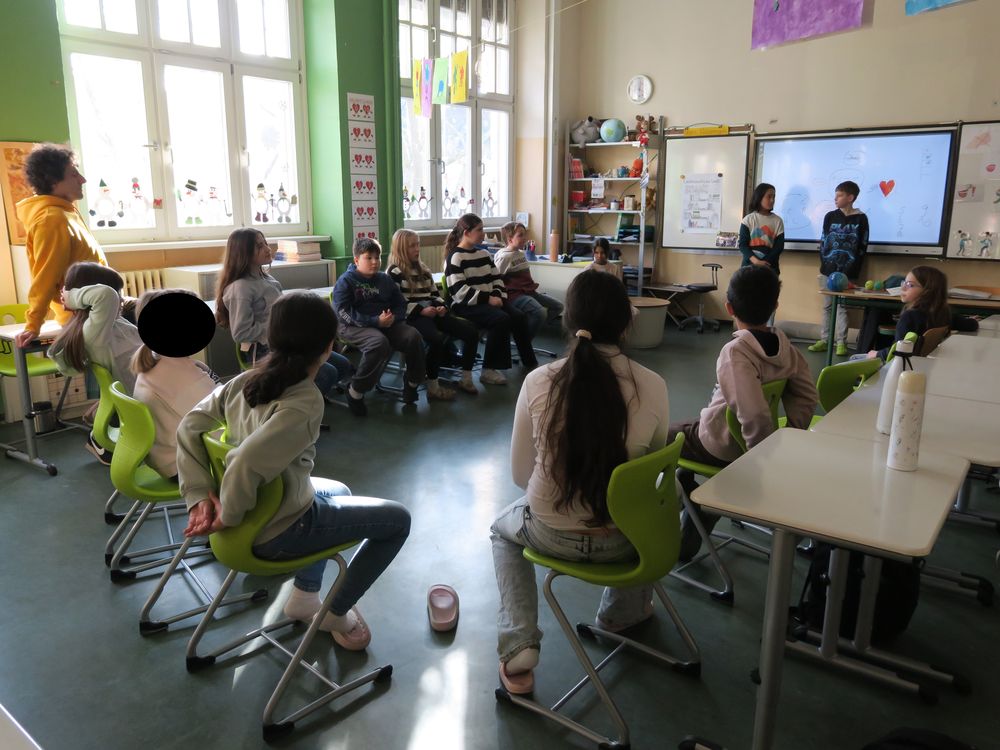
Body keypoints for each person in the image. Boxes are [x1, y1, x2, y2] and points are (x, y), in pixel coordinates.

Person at [177, 291, 411, 651]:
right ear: (329, 346)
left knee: (338, 490)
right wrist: (229, 516)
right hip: (279, 528)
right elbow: (245, 461)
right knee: (398, 521)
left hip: (268, 505)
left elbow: (188, 427)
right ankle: (334, 612)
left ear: (272, 338)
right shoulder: (304, 400)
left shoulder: (242, 382)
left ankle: (305, 596)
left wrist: (197, 495)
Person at [490, 270, 668, 695]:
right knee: (646, 507)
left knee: (501, 531)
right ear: (626, 322)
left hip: (549, 531)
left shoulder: (538, 382)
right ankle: (621, 612)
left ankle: (519, 645)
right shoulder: (653, 386)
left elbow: (520, 476)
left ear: (568, 320)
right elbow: (650, 475)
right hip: (626, 541)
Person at [672, 265, 817, 561]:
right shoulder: (787, 348)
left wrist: (758, 460)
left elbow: (753, 415)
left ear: (728, 307)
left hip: (722, 444)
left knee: (655, 441)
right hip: (740, 438)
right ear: (775, 306)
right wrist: (787, 438)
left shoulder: (735, 352)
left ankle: (694, 505)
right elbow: (807, 395)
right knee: (687, 431)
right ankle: (694, 499)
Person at [215, 228, 351, 397]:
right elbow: (241, 333)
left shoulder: (266, 278)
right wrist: (279, 327)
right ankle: (298, 405)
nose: (267, 248)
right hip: (265, 349)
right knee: (327, 374)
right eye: (259, 246)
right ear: (244, 252)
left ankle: (307, 397)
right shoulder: (240, 287)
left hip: (286, 342)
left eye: (265, 243)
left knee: (343, 365)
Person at [14, 143, 108, 349]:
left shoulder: (66, 212)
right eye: (74, 174)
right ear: (53, 180)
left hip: (99, 312)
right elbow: (45, 276)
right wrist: (33, 324)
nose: (82, 179)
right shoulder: (52, 219)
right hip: (85, 318)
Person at [48, 261, 142, 465]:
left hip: (146, 387)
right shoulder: (95, 331)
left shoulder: (111, 324)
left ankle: (104, 415)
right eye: (117, 293)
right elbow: (106, 295)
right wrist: (70, 296)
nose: (119, 299)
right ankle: (103, 429)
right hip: (143, 397)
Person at [130, 289, 220, 480]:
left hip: (165, 458)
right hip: (185, 466)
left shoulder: (155, 361)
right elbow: (222, 425)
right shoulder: (186, 381)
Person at [333, 237, 428, 415]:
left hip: (385, 323)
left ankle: (412, 383)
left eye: (377, 257)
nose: (374, 262)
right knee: (378, 342)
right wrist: (375, 321)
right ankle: (355, 391)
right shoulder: (346, 281)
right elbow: (343, 313)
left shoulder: (385, 280)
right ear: (356, 260)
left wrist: (394, 318)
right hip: (352, 326)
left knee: (412, 336)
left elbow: (400, 303)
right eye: (368, 258)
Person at [444, 213, 538, 385]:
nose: (483, 234)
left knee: (518, 316)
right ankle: (488, 370)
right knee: (501, 319)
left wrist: (497, 295)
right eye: (479, 230)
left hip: (489, 300)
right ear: (466, 233)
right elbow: (459, 292)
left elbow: (497, 279)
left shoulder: (484, 253)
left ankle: (530, 362)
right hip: (466, 305)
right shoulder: (455, 257)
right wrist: (488, 299)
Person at [386, 228, 480, 396]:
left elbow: (435, 295)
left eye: (418, 245)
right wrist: (421, 311)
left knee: (471, 332)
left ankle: (466, 378)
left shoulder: (423, 269)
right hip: (413, 317)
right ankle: (433, 386)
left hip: (432, 312)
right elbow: (397, 303)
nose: (417, 249)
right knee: (436, 339)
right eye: (412, 246)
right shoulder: (394, 272)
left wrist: (441, 307)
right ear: (401, 248)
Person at [808, 181, 869, 357]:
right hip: (827, 269)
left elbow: (862, 246)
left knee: (842, 307)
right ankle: (825, 340)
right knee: (827, 306)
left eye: (840, 195)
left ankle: (841, 342)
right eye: (835, 195)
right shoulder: (830, 216)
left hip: (848, 271)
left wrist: (851, 270)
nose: (835, 199)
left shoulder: (861, 219)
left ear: (850, 198)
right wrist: (825, 264)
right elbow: (824, 241)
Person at [860, 266, 951, 361]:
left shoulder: (909, 317)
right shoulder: (943, 312)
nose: (903, 288)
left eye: (910, 285)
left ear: (928, 291)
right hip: (922, 363)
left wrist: (877, 354)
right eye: (904, 283)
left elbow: (899, 352)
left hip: (901, 365)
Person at [494, 221, 564, 338]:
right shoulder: (505, 257)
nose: (525, 238)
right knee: (540, 312)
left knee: (558, 307)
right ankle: (524, 341)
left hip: (529, 292)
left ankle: (526, 329)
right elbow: (495, 279)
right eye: (520, 235)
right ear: (510, 239)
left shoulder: (521, 253)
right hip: (515, 295)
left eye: (524, 234)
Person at [739, 183, 785, 275]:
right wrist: (756, 261)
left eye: (774, 197)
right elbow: (743, 245)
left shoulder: (777, 221)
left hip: (770, 267)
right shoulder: (748, 220)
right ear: (759, 197)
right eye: (769, 197)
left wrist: (764, 262)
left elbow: (779, 247)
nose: (772, 200)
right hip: (749, 267)